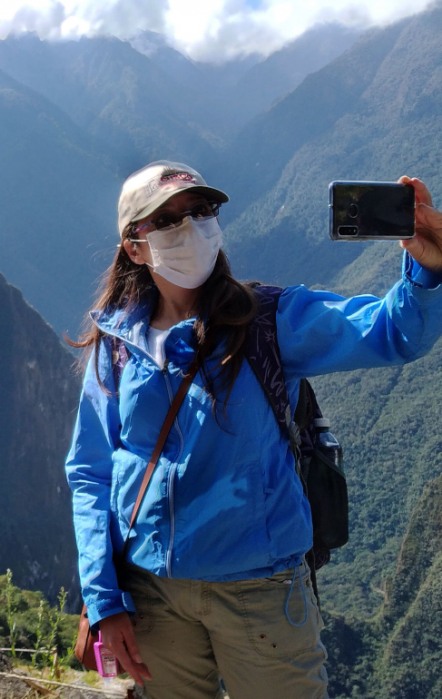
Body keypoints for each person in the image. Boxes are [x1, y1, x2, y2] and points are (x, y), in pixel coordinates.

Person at [64, 161, 442, 699]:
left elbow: (391, 332)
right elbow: (90, 472)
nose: (190, 228)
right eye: (167, 219)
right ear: (134, 246)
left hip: (258, 591)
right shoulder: (116, 343)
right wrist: (104, 601)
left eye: (199, 211)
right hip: (153, 594)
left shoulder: (266, 323)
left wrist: (426, 272)